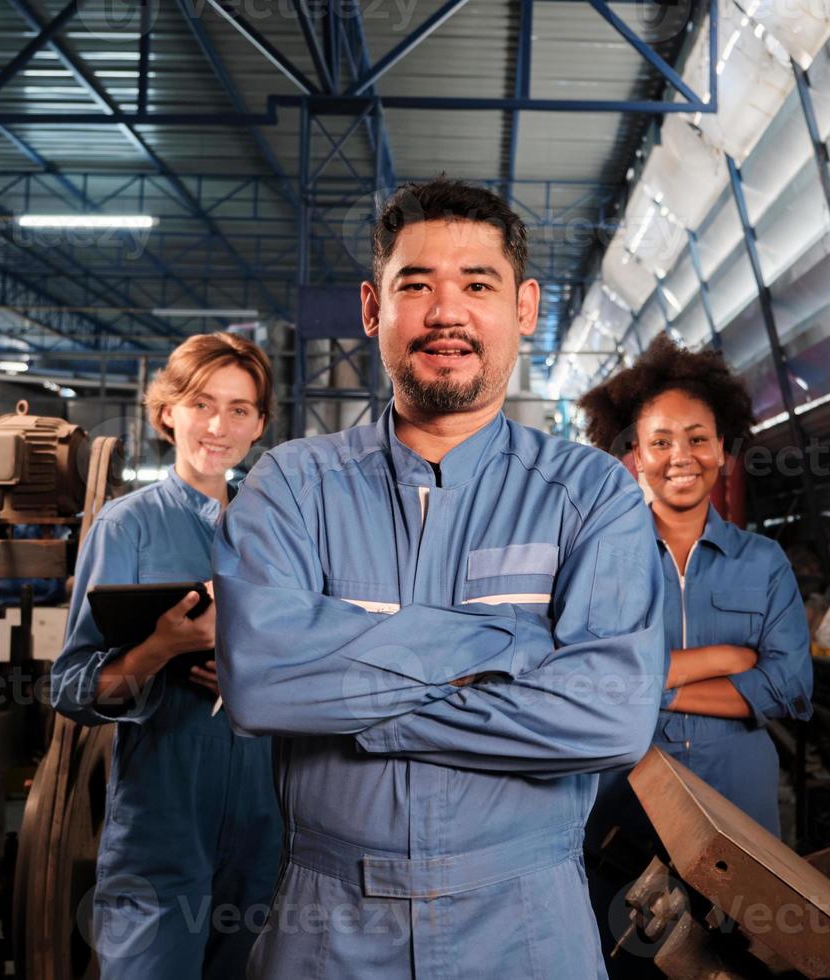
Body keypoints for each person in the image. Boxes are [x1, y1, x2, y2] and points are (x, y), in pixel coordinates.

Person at [213, 178, 666, 978]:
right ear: (371, 308)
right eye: (415, 284)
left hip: (525, 924)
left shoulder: (591, 495)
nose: (446, 312)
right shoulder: (290, 486)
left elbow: (609, 720)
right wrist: (511, 645)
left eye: (477, 285)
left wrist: (352, 703)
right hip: (331, 926)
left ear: (524, 307)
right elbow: (261, 685)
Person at [578, 334, 813, 974]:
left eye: (698, 438)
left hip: (740, 818)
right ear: (633, 455)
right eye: (660, 441)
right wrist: (731, 658)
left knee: (739, 962)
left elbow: (792, 684)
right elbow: (591, 678)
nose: (681, 456)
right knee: (624, 957)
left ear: (723, 449)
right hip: (623, 809)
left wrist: (661, 687)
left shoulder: (763, 563)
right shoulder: (600, 564)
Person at [52, 333, 282, 978]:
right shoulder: (127, 527)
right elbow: (73, 688)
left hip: (268, 815)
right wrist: (163, 646)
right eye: (202, 404)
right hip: (166, 814)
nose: (218, 426)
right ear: (167, 412)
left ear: (259, 424)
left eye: (240, 409)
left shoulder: (277, 534)